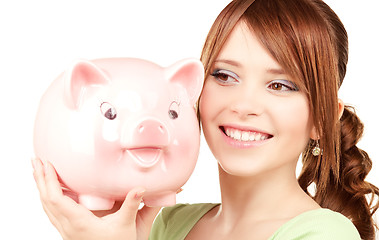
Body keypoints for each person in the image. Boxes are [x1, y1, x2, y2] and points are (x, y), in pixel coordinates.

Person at [32, 0, 379, 239]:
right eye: (225, 76)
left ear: (322, 119)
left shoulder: (323, 234)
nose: (244, 105)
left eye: (280, 85)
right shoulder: (164, 224)